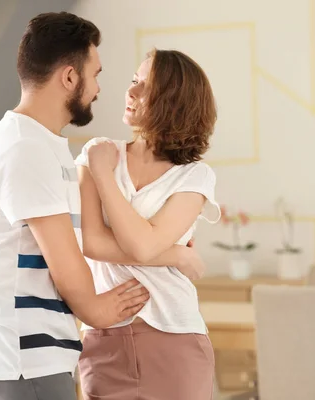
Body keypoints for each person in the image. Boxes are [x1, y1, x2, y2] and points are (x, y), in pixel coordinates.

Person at [0, 13, 204, 400]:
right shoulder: (26, 149)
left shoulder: (41, 146)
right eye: (96, 74)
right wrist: (97, 312)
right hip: (25, 352)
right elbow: (67, 256)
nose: (100, 88)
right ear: (70, 78)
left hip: (39, 350)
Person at [75, 48, 221, 400]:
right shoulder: (98, 151)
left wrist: (104, 177)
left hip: (175, 339)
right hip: (104, 340)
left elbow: (142, 246)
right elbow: (91, 243)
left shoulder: (194, 176)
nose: (132, 92)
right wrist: (175, 255)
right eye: (134, 81)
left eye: (147, 87)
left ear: (174, 101)